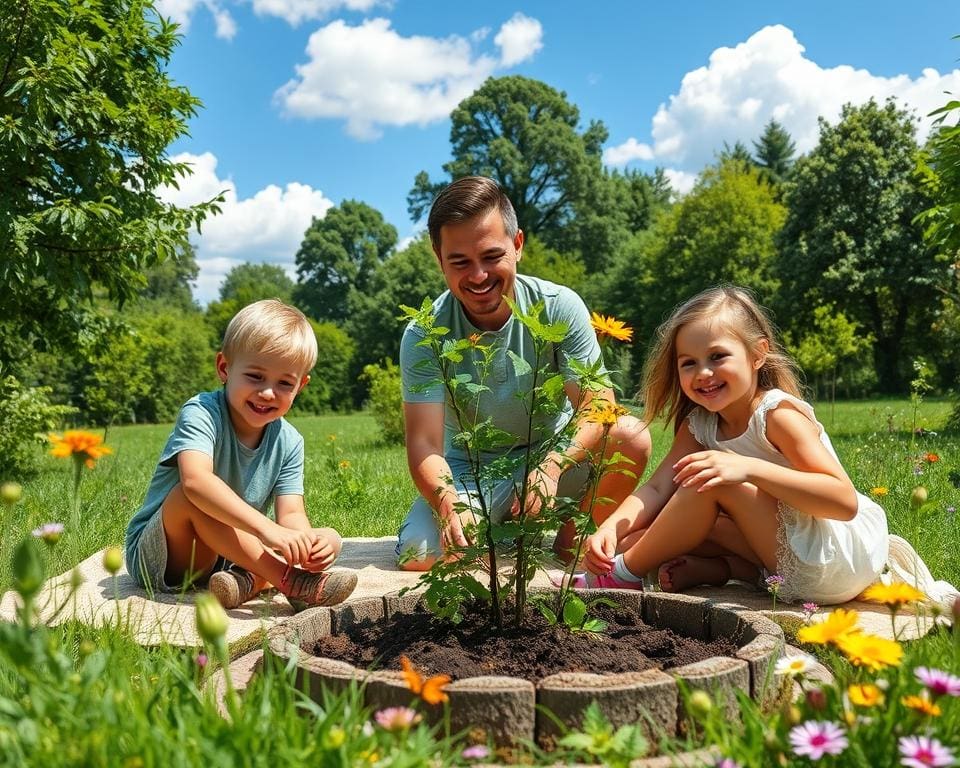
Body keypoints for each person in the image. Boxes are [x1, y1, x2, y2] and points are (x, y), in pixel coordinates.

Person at [397, 176, 651, 570]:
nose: (478, 276)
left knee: (630, 436)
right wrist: (449, 504)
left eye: (491, 256)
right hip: (472, 472)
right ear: (438, 257)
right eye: (460, 262)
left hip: (560, 459)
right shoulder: (424, 333)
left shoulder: (559, 307)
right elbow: (425, 444)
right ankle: (503, 528)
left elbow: (599, 407)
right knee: (421, 556)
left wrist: (549, 468)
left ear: (517, 245)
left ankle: (573, 540)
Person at [579, 285, 890, 605]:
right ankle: (724, 569)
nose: (703, 372)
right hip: (779, 553)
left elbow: (843, 502)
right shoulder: (700, 424)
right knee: (639, 539)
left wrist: (748, 469)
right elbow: (658, 489)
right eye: (688, 363)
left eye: (717, 356)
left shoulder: (777, 416)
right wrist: (611, 528)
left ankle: (621, 576)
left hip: (829, 561)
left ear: (757, 354)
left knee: (708, 484)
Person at [124, 299, 357, 610]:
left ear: (301, 386)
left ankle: (244, 583)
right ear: (225, 368)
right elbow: (195, 482)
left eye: (284, 383)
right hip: (162, 556)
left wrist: (305, 546)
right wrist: (268, 530)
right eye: (255, 376)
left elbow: (290, 514)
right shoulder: (202, 412)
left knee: (330, 537)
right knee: (189, 495)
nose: (267, 392)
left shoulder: (289, 440)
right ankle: (290, 581)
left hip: (225, 553)